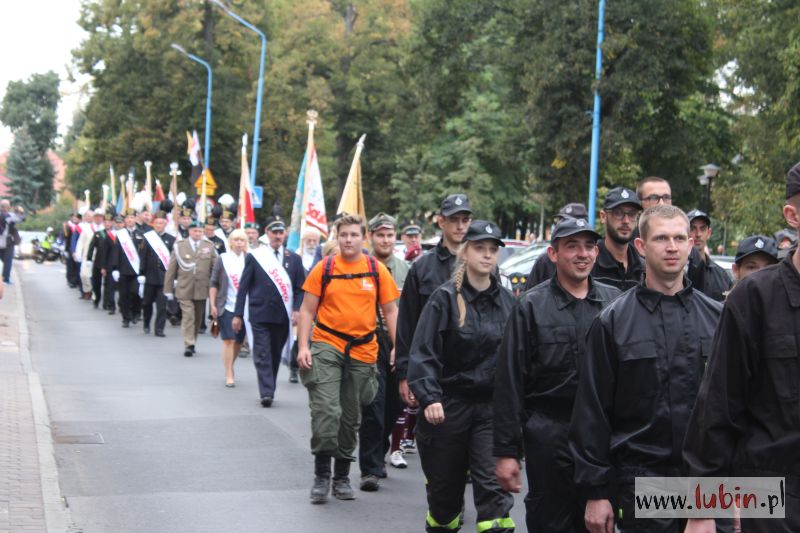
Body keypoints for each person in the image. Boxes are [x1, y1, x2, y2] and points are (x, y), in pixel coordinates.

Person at [569, 205, 723, 533]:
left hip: (710, 481)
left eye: (679, 238)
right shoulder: (613, 322)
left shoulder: (718, 319)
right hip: (644, 482)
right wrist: (596, 492)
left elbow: (734, 408)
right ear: (640, 246)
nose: (672, 247)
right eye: (661, 238)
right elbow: (592, 413)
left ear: (691, 245)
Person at [683, 163, 800, 533]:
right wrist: (702, 508)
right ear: (792, 215)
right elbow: (719, 404)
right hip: (771, 496)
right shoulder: (755, 298)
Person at [494, 217, 621, 532]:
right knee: (549, 520)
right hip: (549, 437)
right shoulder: (531, 306)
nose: (582, 254)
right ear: (553, 253)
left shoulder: (615, 303)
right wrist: (507, 452)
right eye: (572, 246)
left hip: (604, 438)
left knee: (600, 521)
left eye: (589, 246)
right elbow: (510, 382)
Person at [408, 220, 515, 533]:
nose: (487, 255)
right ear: (465, 252)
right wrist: (429, 397)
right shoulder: (443, 299)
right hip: (447, 409)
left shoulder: (508, 302)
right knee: (444, 500)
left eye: (493, 249)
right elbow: (423, 352)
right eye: (480, 248)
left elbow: (518, 359)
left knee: (494, 494)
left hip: (490, 411)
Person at [297, 214, 400, 504]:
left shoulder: (376, 270)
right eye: (343, 235)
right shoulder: (325, 268)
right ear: (337, 237)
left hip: (363, 350)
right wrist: (303, 346)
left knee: (350, 417)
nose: (348, 240)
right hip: (327, 345)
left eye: (354, 235)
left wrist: (397, 347)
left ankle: (341, 476)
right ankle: (321, 476)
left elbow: (391, 311)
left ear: (363, 238)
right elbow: (307, 310)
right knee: (326, 411)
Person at [396, 194, 472, 419]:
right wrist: (404, 374)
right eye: (454, 219)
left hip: (471, 372)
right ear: (441, 222)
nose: (460, 226)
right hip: (431, 370)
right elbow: (407, 323)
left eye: (465, 220)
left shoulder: (481, 266)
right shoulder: (422, 267)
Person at [358, 212, 409, 492]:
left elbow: (411, 310)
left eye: (390, 235)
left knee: (395, 406)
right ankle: (370, 468)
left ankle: (380, 449)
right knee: (373, 405)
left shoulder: (406, 270)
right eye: (380, 235)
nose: (386, 240)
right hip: (369, 341)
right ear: (371, 237)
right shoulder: (361, 266)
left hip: (398, 342)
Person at [233, 211, 305, 406]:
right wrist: (238, 314)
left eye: (281, 232)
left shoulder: (294, 259)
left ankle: (269, 385)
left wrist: (297, 309)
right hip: (260, 313)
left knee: (274, 353)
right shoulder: (256, 257)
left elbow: (300, 289)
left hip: (282, 316)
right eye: (274, 232)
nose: (278, 236)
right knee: (262, 352)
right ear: (267, 233)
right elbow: (243, 287)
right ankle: (267, 392)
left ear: (285, 234)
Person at [163, 219, 218, 357]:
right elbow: (171, 269)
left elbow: (215, 268)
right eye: (195, 231)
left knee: (198, 318)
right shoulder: (180, 246)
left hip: (201, 288)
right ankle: (189, 343)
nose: (198, 233)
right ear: (189, 231)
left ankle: (193, 341)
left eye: (200, 231)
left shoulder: (209, 246)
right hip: (184, 288)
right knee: (188, 316)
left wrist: (217, 287)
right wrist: (168, 289)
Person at [210, 229, 249, 387]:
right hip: (226, 305)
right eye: (236, 240)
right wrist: (213, 305)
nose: (239, 243)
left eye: (242, 240)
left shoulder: (249, 259)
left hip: (244, 307)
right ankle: (229, 373)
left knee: (238, 341)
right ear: (230, 242)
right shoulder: (223, 259)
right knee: (229, 340)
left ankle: (229, 364)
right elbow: (214, 283)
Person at [523, 202, 589, 290]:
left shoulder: (592, 258)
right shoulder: (545, 260)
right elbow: (529, 293)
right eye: (562, 220)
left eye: (570, 222)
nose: (582, 255)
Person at [592, 187, 644, 291]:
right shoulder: (589, 263)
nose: (626, 221)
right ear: (603, 216)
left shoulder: (644, 269)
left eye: (632, 214)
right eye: (618, 213)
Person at [139, 202, 176, 336]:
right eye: (156, 223)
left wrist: (175, 277)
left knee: (162, 306)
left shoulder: (171, 239)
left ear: (165, 224)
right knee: (147, 303)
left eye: (161, 223)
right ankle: (146, 324)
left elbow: (174, 260)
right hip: (150, 277)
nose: (159, 225)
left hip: (164, 278)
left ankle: (159, 329)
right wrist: (141, 274)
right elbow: (143, 256)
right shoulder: (148, 237)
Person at [109, 207, 145, 328]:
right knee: (124, 295)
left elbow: (143, 253)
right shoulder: (120, 234)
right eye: (128, 218)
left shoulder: (141, 234)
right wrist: (115, 268)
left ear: (136, 219)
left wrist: (143, 270)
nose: (130, 220)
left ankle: (136, 312)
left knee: (135, 292)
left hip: (136, 270)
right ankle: (126, 318)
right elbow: (116, 252)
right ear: (125, 220)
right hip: (123, 269)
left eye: (132, 217)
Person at [687, 209, 732, 301]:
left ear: (709, 233)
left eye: (702, 229)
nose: (698, 234)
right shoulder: (678, 272)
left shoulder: (722, 275)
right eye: (692, 229)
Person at [86, 209, 116, 309]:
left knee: (108, 284)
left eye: (109, 222)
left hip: (109, 263)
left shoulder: (114, 235)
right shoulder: (98, 234)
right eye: (105, 222)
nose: (107, 224)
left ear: (112, 223)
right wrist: (89, 259)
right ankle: (96, 299)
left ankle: (106, 303)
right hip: (98, 262)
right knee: (96, 283)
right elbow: (91, 247)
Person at [0, 200, 24, 284]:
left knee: (2, 260)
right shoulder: (8, 215)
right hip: (7, 241)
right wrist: (21, 212)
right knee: (8, 261)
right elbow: (21, 219)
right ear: (7, 207)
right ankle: (5, 279)